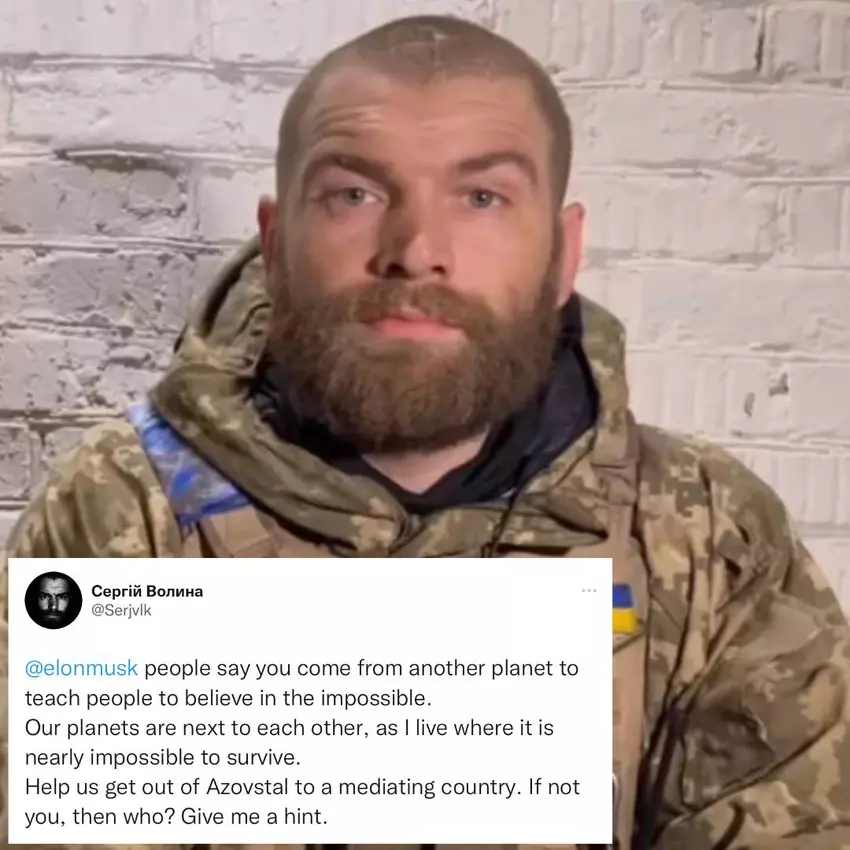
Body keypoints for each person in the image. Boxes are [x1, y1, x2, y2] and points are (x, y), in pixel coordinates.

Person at [1, 12, 849, 850]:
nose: (415, 249)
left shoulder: (704, 534)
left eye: (482, 198)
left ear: (563, 252)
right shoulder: (125, 513)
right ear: (277, 242)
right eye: (355, 194)